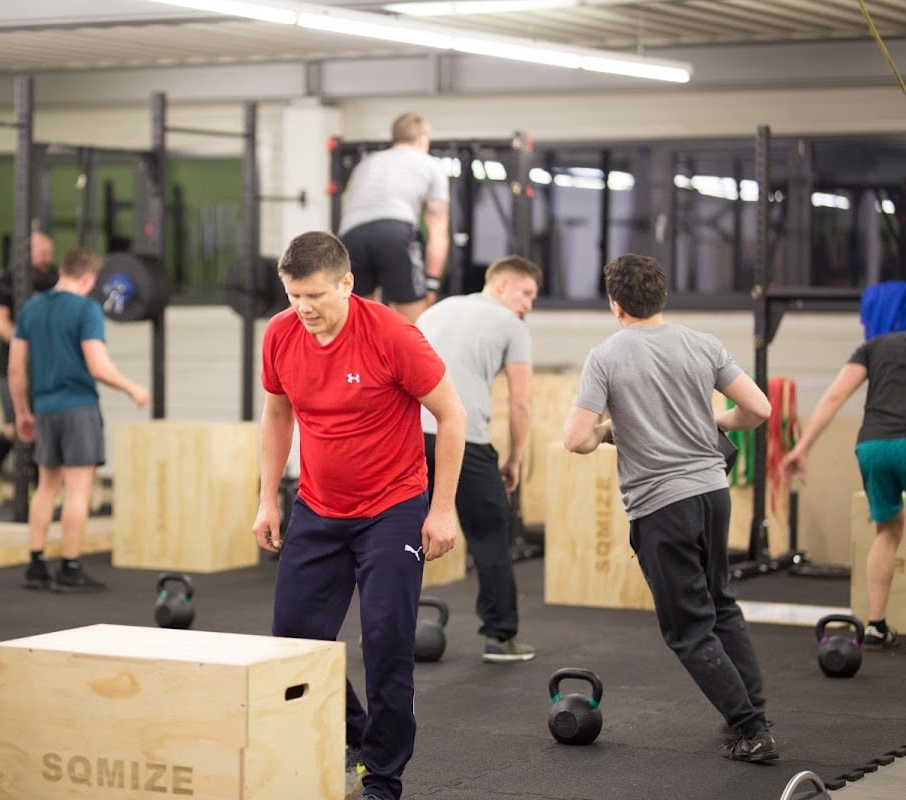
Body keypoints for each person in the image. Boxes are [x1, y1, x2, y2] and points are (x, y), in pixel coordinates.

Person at [251, 231, 466, 800]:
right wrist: (268, 498)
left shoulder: (393, 335)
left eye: (316, 296)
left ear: (347, 283)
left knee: (387, 642)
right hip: (318, 508)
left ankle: (384, 777)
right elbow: (277, 416)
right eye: (294, 295)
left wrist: (441, 510)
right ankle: (355, 733)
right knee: (293, 642)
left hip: (392, 510)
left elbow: (452, 415)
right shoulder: (279, 335)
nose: (304, 309)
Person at [561, 253, 777, 763]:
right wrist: (717, 424)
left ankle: (752, 729)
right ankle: (753, 715)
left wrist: (608, 431)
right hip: (712, 494)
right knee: (721, 606)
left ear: (616, 305)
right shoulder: (702, 344)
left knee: (688, 629)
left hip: (663, 507)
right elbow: (760, 409)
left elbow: (574, 441)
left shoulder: (607, 356)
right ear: (661, 297)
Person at [415, 255, 542, 663]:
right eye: (526, 294)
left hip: (407, 437)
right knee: (490, 534)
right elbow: (520, 403)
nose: (527, 305)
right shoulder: (512, 324)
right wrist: (516, 458)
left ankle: (386, 629)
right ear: (502, 285)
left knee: (397, 534)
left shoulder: (437, 309)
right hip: (464, 439)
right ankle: (500, 637)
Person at [8, 247, 150, 591]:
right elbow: (98, 366)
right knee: (78, 489)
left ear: (62, 270)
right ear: (88, 278)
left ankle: (37, 564)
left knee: (46, 487)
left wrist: (22, 412)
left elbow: (15, 368)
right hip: (78, 407)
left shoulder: (32, 308)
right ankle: (70, 568)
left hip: (44, 407)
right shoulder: (87, 309)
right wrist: (132, 388)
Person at [781, 287, 906, 649]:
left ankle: (875, 626)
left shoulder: (871, 349)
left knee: (888, 531)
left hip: (872, 447)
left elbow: (835, 396)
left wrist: (801, 448)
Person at [338, 112, 449, 324]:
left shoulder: (366, 164)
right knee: (414, 322)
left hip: (350, 236)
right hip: (394, 231)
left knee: (360, 318)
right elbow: (438, 231)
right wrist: (432, 284)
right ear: (423, 138)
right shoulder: (430, 165)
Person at [0, 230, 57, 506]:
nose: (46, 259)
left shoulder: (54, 279)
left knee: (41, 425)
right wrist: (27, 344)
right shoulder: (4, 282)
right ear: (26, 252)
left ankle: (40, 487)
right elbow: (0, 323)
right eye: (41, 253)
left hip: (46, 367)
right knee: (14, 428)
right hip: (9, 367)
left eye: (49, 254)